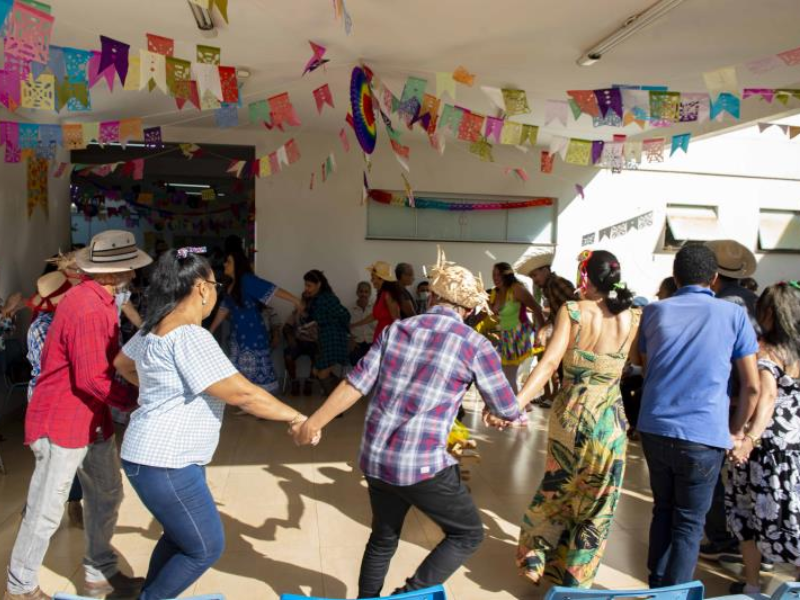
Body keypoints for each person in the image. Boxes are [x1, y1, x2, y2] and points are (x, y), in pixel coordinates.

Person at [293, 248, 522, 597]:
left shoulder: (397, 330)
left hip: (376, 459)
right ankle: (407, 596)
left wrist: (315, 422)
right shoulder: (475, 344)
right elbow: (505, 407)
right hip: (422, 466)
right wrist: (508, 414)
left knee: (383, 538)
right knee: (468, 533)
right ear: (470, 309)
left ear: (431, 296)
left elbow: (355, 382)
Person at [113, 248, 312, 600]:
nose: (217, 290)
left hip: (146, 454)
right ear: (202, 288)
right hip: (167, 460)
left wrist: (161, 388)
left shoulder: (152, 327)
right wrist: (296, 416)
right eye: (215, 283)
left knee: (179, 537)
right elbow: (243, 394)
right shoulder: (191, 335)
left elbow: (122, 364)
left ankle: (149, 592)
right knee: (204, 547)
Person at [5, 230, 151, 600]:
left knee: (107, 493)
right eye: (130, 269)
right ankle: (20, 586)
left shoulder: (101, 302)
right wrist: (138, 400)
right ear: (113, 273)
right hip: (62, 422)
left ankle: (99, 573)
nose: (133, 276)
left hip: (90, 419)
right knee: (47, 507)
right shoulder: (86, 306)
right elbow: (91, 379)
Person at [637, 244, 760, 588]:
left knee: (663, 508)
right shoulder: (733, 316)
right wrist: (736, 431)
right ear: (714, 278)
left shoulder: (654, 311)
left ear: (675, 277)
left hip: (656, 427)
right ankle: (675, 594)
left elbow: (646, 367)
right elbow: (751, 386)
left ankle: (657, 587)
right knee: (690, 523)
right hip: (704, 435)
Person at [515, 250, 640, 588]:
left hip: (571, 418)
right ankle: (574, 581)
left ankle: (536, 556)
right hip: (611, 423)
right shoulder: (634, 316)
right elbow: (638, 362)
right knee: (598, 503)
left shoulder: (572, 311)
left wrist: (517, 403)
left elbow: (549, 363)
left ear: (585, 277)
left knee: (558, 490)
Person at [725, 281, 800, 594]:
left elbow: (764, 395)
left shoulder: (766, 350)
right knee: (793, 512)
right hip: (796, 443)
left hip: (767, 447)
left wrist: (746, 438)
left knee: (747, 513)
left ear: (769, 312)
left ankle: (753, 585)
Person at [701, 239, 759, 560]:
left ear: (713, 274)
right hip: (755, 401)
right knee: (746, 476)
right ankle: (749, 542)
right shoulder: (757, 300)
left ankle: (722, 538)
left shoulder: (718, 305)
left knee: (714, 474)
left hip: (724, 400)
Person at [24, 271, 84, 529]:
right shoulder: (43, 327)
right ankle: (35, 514)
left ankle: (71, 503)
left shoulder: (64, 322)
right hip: (47, 400)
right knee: (50, 462)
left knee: (71, 456)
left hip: (64, 398)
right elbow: (49, 369)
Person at [210, 248, 301, 394]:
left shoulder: (247, 280)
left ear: (237, 265)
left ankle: (260, 404)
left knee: (255, 370)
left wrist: (296, 301)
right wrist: (212, 329)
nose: (225, 265)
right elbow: (224, 308)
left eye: (228, 262)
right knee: (242, 371)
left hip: (253, 336)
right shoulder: (230, 284)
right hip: (238, 336)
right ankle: (249, 403)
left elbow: (272, 290)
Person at [479, 263, 544, 423]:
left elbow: (536, 308)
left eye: (498, 275)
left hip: (520, 336)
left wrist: (541, 331)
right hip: (506, 338)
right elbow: (489, 315)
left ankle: (520, 413)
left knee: (508, 375)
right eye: (493, 275)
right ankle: (525, 404)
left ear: (507, 275)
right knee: (504, 374)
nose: (495, 278)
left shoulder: (516, 289)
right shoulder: (495, 293)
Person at [302, 270, 351, 396]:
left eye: (309, 285)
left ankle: (336, 406)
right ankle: (341, 397)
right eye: (305, 285)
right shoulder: (315, 299)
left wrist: (333, 324)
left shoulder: (328, 298)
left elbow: (346, 315)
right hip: (324, 339)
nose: (306, 288)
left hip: (333, 338)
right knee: (317, 372)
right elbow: (310, 318)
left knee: (322, 373)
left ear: (318, 284)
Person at [351, 261, 402, 342]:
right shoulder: (381, 294)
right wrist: (354, 325)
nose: (371, 280)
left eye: (373, 277)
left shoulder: (388, 295)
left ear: (381, 278)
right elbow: (374, 316)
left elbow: (396, 319)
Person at [283, 296, 319, 396]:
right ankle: (294, 382)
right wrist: (290, 338)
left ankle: (309, 382)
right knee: (288, 356)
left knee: (319, 356)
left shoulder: (319, 314)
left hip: (314, 343)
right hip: (297, 342)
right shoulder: (295, 314)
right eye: (304, 302)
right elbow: (286, 328)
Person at [350, 281, 375, 366]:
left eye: (366, 292)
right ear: (357, 292)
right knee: (356, 365)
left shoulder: (375, 308)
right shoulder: (350, 309)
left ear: (370, 293)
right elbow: (344, 327)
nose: (363, 294)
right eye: (361, 291)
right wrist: (350, 340)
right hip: (356, 343)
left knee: (372, 366)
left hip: (372, 343)